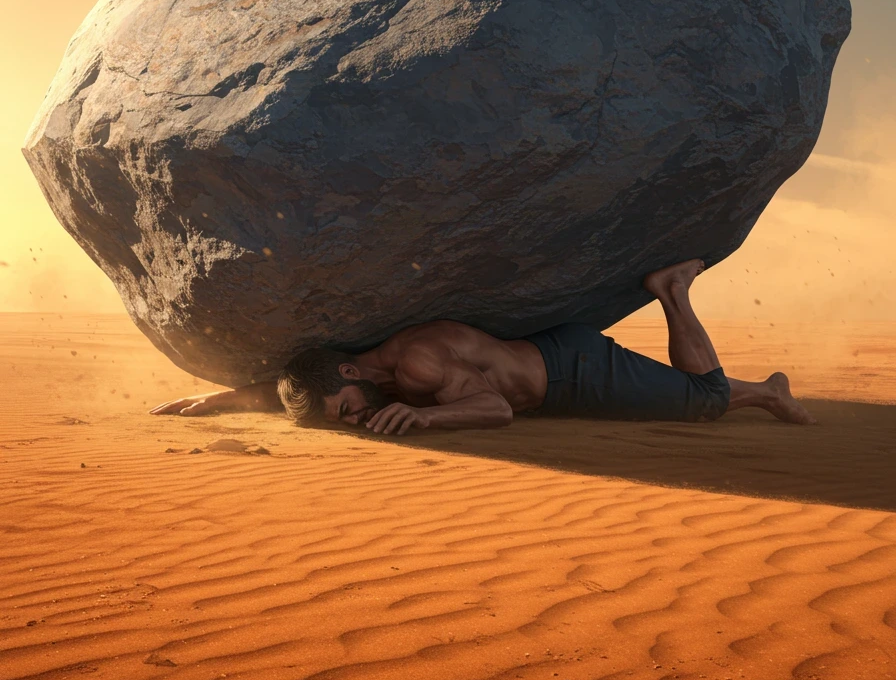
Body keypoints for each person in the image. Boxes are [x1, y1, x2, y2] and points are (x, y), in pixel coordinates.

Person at [151, 259, 815, 431]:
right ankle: (771, 394)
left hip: (574, 370)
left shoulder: (416, 366)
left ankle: (673, 290)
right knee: (678, 400)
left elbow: (495, 410)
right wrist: (216, 400)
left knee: (703, 399)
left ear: (351, 372)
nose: (354, 420)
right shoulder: (355, 377)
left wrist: (426, 418)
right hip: (557, 386)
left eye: (348, 411)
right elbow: (296, 390)